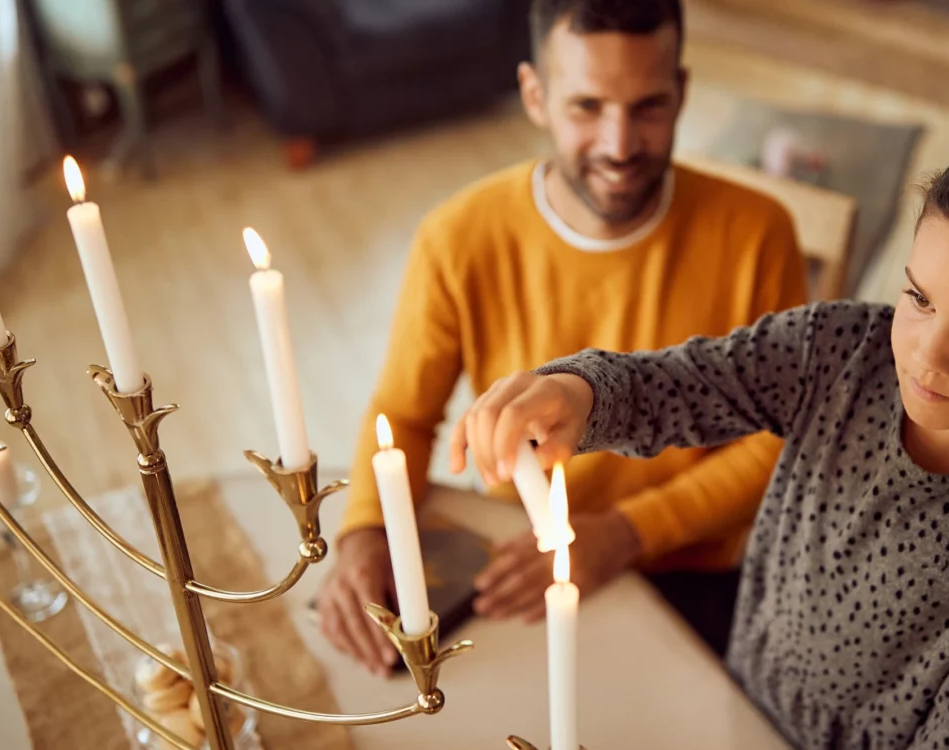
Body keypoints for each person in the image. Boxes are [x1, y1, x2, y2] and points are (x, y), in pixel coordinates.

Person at [450, 114, 949, 749]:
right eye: (917, 297)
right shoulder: (840, 348)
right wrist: (575, 391)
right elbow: (681, 385)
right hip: (731, 704)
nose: (924, 355)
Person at [317, 0, 809, 675]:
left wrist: (628, 533)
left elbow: (777, 440)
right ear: (535, 95)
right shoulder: (457, 236)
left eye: (649, 106)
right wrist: (363, 528)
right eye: (587, 107)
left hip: (692, 571)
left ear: (683, 92)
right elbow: (404, 413)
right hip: (518, 562)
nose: (619, 143)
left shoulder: (758, 233)